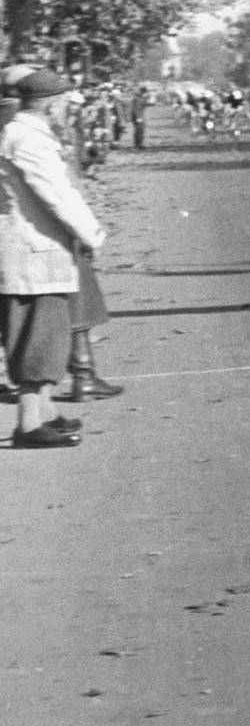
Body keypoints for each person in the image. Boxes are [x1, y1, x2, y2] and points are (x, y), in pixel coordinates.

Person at [0, 69, 107, 447]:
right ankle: (28, 425)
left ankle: (45, 413)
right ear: (51, 103)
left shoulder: (22, 133)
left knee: (48, 335)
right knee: (35, 337)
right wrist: (90, 232)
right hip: (31, 253)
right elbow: (57, 193)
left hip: (38, 252)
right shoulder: (28, 139)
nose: (67, 111)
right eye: (64, 103)